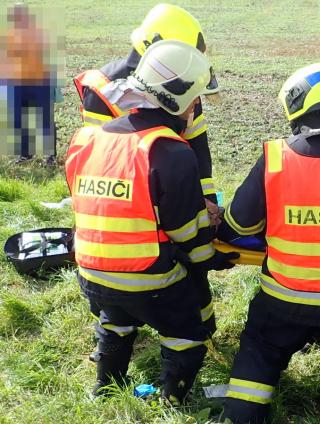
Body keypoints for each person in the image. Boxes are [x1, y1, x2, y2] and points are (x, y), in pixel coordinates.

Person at [64, 39, 237, 403]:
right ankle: (170, 399)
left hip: (91, 274)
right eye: (195, 99)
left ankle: (106, 388)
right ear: (179, 100)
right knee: (187, 333)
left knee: (115, 321)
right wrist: (213, 257)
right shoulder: (170, 151)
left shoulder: (86, 138)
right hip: (149, 278)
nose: (196, 107)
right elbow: (185, 233)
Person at [218, 62, 320, 424]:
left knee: (260, 347)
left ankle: (244, 411)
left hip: (282, 301)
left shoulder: (275, 158)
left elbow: (236, 225)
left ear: (296, 106)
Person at [72, 3, 220, 336]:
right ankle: (126, 329)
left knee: (192, 262)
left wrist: (204, 200)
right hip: (127, 206)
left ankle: (201, 328)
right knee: (131, 283)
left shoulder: (177, 82)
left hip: (170, 188)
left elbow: (198, 146)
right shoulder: (103, 90)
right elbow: (105, 165)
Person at [0, 3, 56, 162]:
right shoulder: (8, 35)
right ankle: (25, 153)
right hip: (17, 84)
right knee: (19, 119)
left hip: (40, 82)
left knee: (44, 118)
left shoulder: (39, 33)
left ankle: (50, 155)